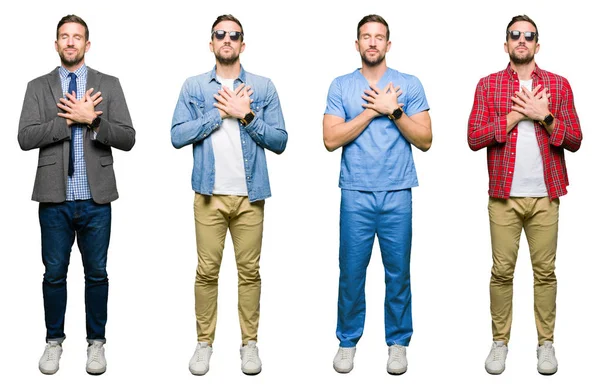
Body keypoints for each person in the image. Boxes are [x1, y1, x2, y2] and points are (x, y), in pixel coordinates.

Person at [18, 14, 135, 375]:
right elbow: (25, 137)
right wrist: (69, 120)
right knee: (54, 273)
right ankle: (53, 342)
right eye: (64, 37)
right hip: (54, 200)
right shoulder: (38, 87)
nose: (70, 42)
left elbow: (128, 137)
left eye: (77, 37)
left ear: (87, 44)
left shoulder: (108, 84)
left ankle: (96, 344)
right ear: (56, 44)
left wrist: (94, 120)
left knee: (97, 273)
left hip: (96, 200)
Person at [171, 14, 287, 376]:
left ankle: (249, 344)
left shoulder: (263, 87)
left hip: (251, 196)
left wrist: (247, 115)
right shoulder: (194, 87)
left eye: (234, 35)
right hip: (209, 195)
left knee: (249, 272)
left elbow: (280, 140)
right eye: (220, 35)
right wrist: (218, 114)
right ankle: (204, 343)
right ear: (211, 43)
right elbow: (176, 135)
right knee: (207, 272)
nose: (227, 40)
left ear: (242, 44)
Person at [468, 14, 582, 376]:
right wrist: (517, 117)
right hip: (503, 196)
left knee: (545, 273)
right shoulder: (488, 86)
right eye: (515, 35)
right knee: (501, 272)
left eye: (528, 36)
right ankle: (499, 342)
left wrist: (545, 116)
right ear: (506, 44)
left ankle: (545, 344)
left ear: (537, 44)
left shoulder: (559, 85)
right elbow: (474, 138)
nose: (522, 40)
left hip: (546, 195)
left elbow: (576, 140)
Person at [323, 14, 432, 375]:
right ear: (357, 44)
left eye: (379, 37)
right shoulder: (341, 86)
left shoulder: (408, 84)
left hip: (398, 190)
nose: (372, 42)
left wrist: (395, 110)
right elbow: (330, 139)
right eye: (366, 37)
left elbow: (426, 139)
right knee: (351, 272)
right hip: (355, 192)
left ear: (388, 44)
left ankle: (398, 343)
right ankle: (347, 341)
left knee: (398, 273)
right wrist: (372, 110)